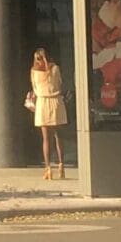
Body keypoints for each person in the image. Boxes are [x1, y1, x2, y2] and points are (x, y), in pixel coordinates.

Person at [28, 48, 69, 180]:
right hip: (56, 101)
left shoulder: (34, 72)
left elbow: (34, 88)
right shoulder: (55, 69)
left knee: (46, 138)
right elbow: (60, 84)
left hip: (42, 103)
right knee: (59, 136)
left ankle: (48, 168)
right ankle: (61, 166)